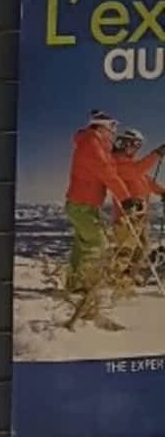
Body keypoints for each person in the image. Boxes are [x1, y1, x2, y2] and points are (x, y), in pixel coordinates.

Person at [63, 109, 123, 328]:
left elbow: (107, 167)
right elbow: (106, 172)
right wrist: (126, 198)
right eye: (112, 127)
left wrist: (111, 151)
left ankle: (75, 284)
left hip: (84, 205)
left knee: (83, 244)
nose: (114, 132)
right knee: (97, 243)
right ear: (102, 126)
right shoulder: (91, 144)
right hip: (82, 205)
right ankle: (88, 286)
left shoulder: (95, 144)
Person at [108, 127, 165, 291]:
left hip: (140, 214)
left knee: (143, 247)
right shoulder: (116, 161)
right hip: (126, 214)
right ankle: (117, 280)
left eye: (137, 145)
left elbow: (145, 180)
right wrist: (156, 154)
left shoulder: (132, 163)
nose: (132, 147)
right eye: (131, 143)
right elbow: (136, 171)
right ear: (123, 142)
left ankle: (128, 278)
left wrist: (162, 192)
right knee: (126, 249)